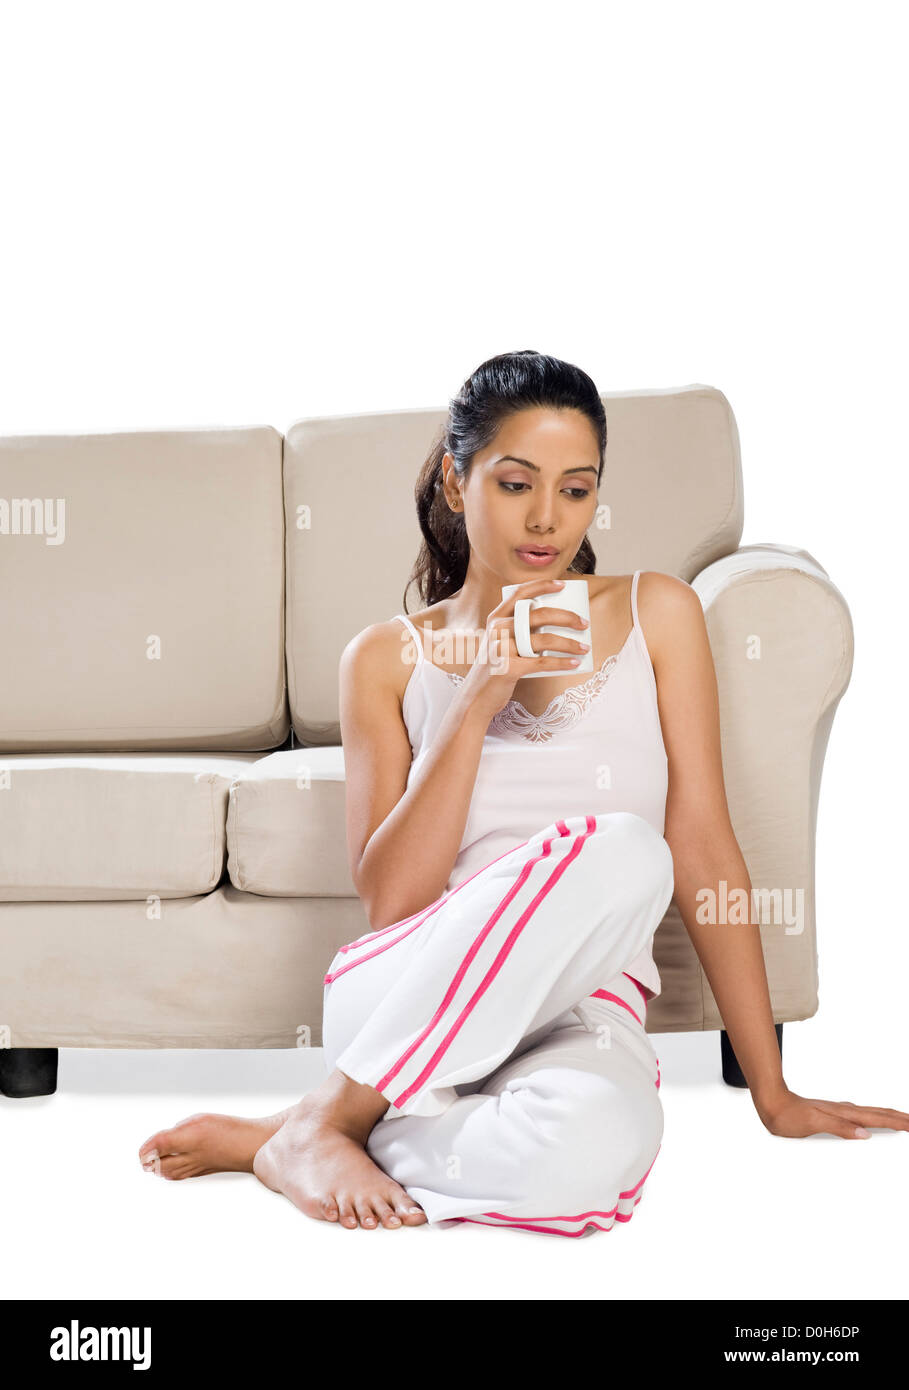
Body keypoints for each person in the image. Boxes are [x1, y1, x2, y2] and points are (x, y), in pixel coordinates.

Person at [138, 349, 909, 1236]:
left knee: (593, 1150)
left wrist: (769, 1092)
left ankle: (294, 1131)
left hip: (584, 1003)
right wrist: (477, 696)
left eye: (576, 490)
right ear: (454, 480)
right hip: (407, 997)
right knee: (623, 848)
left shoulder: (657, 611)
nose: (547, 519)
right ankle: (342, 1110)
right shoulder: (386, 658)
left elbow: (703, 845)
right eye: (515, 483)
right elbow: (392, 899)